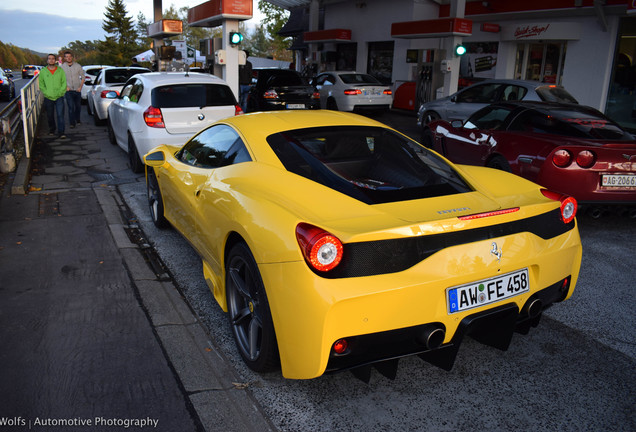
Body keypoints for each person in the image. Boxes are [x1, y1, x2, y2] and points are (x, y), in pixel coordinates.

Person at [39, 54, 67, 139]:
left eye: (53, 59)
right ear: (47, 61)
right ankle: (52, 129)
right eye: (49, 59)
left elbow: (64, 83)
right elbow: (41, 84)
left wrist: (61, 92)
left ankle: (61, 132)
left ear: (55, 60)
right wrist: (46, 93)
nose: (51, 60)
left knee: (60, 115)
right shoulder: (43, 71)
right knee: (50, 115)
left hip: (59, 97)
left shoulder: (60, 71)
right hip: (48, 97)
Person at [60, 50, 85, 129]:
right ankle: (72, 123)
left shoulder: (78, 66)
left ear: (72, 57)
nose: (68, 58)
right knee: (71, 107)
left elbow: (83, 77)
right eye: (66, 57)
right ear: (64, 58)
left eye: (70, 56)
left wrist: (80, 87)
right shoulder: (62, 67)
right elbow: (60, 79)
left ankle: (77, 120)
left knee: (78, 107)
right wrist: (65, 87)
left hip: (77, 90)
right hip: (68, 90)